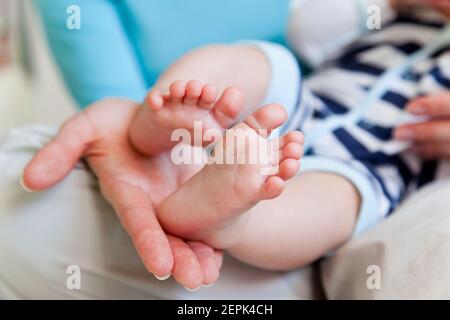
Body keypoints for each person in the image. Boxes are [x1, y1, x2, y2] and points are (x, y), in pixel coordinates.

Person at [22, 0, 450, 276]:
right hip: (304, 99)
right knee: (256, 62)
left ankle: (227, 215)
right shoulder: (398, 15)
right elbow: (305, 30)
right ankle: (157, 120)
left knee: (335, 206)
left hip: (380, 163)